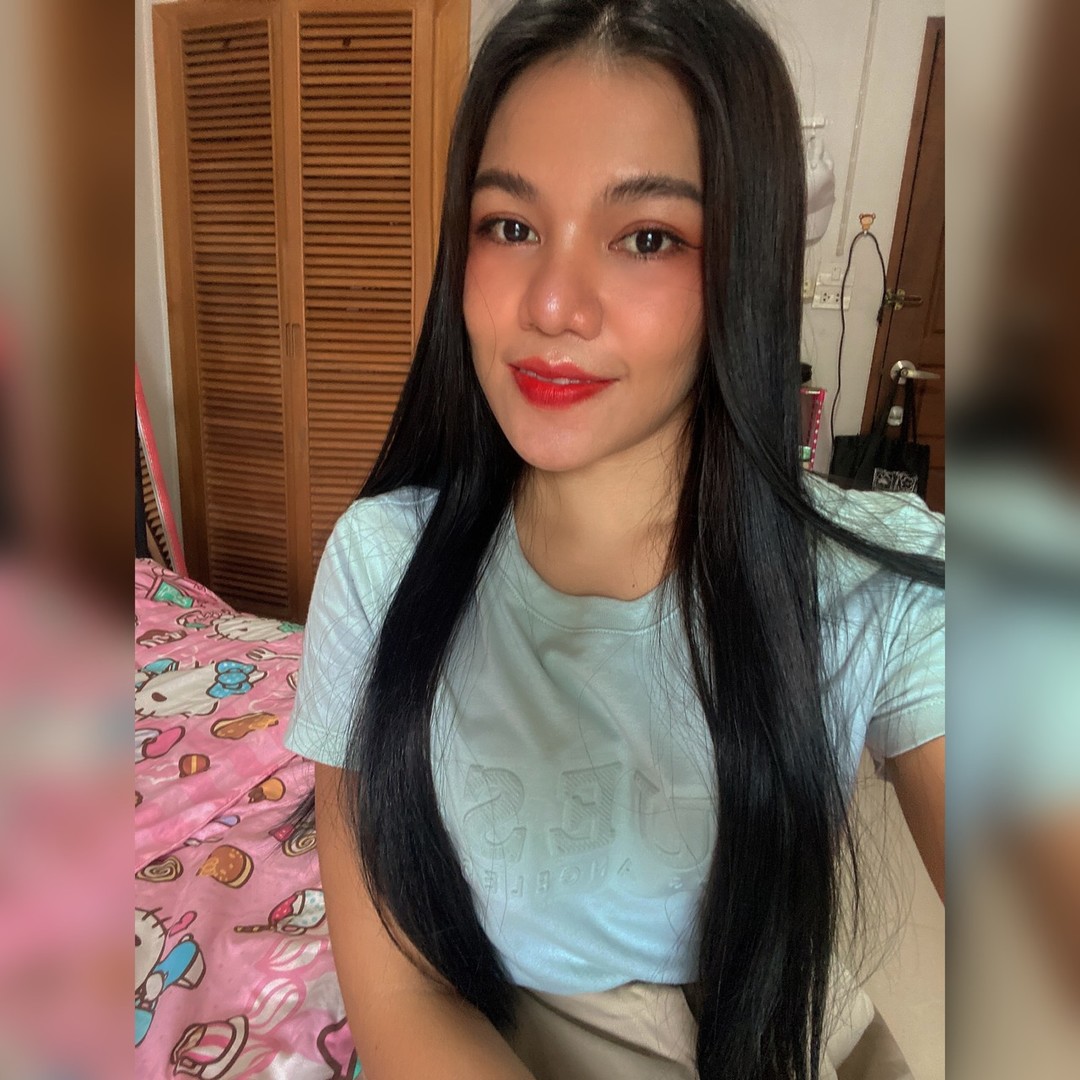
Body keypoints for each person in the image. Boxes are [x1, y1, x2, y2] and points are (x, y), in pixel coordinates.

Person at [284, 2, 945, 1078]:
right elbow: (400, 988)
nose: (551, 304)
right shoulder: (381, 563)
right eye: (509, 226)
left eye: (648, 238)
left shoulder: (876, 581)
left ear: (745, 267)